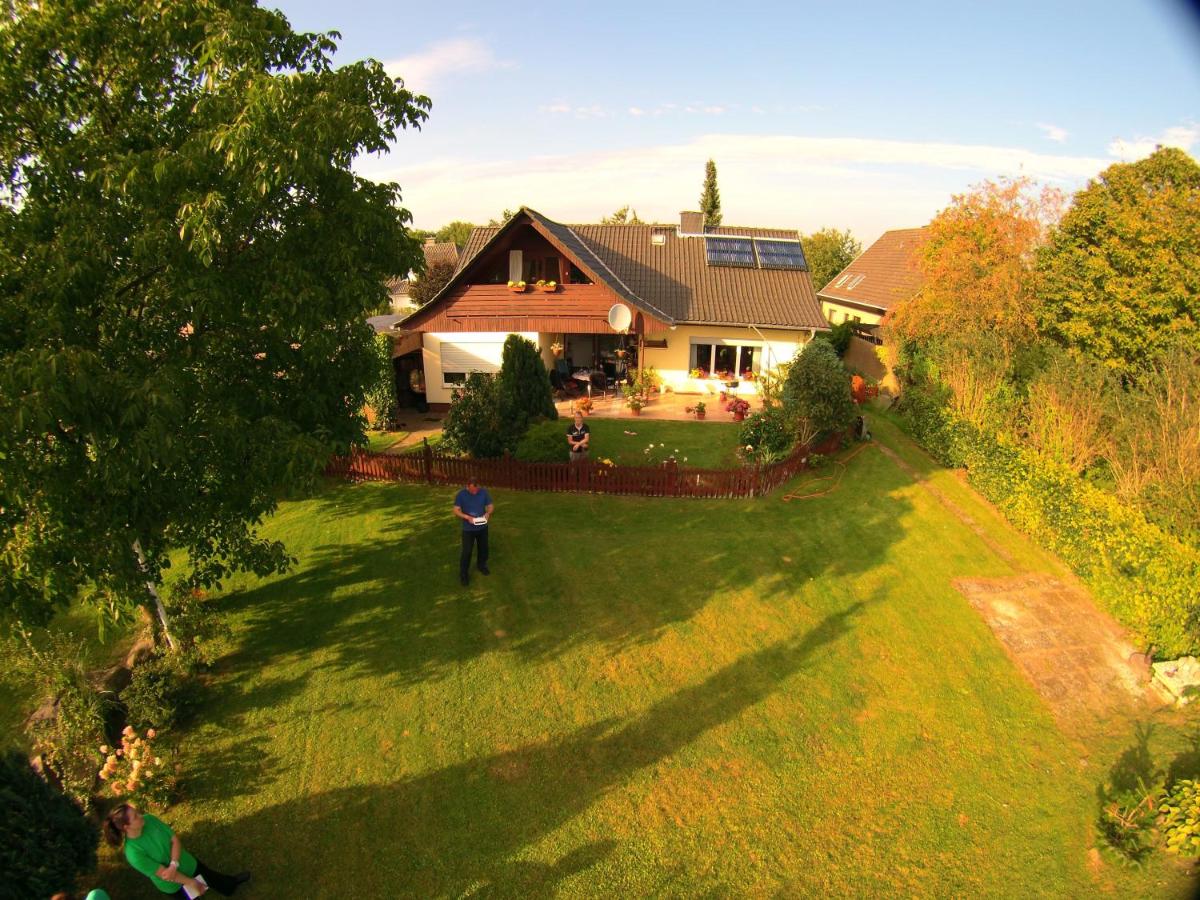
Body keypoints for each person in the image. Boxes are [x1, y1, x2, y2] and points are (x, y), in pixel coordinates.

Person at [103, 804, 249, 897]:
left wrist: (173, 864)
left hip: (186, 862)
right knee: (193, 896)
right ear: (126, 827)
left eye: (137, 812)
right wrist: (190, 882)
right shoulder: (133, 853)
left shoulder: (149, 820)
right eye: (135, 817)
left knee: (211, 877)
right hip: (174, 885)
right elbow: (163, 874)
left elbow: (174, 840)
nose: (140, 816)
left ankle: (230, 885)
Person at [453, 476, 494, 586]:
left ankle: (481, 565)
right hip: (468, 529)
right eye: (472, 490)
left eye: (476, 490)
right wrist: (466, 517)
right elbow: (456, 510)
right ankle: (463, 574)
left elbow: (490, 506)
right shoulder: (461, 495)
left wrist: (488, 513)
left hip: (482, 526)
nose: (474, 492)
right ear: (467, 487)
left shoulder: (483, 492)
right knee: (467, 551)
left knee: (483, 548)